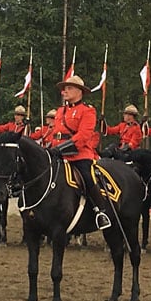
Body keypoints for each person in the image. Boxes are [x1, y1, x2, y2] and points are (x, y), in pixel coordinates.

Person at [49, 75, 110, 230]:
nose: (64, 92)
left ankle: (100, 211)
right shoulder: (60, 111)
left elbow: (83, 136)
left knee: (87, 177)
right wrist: (51, 148)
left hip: (79, 155)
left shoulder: (87, 110)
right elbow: (55, 133)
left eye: (69, 88)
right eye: (64, 89)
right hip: (58, 154)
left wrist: (61, 149)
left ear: (79, 91)